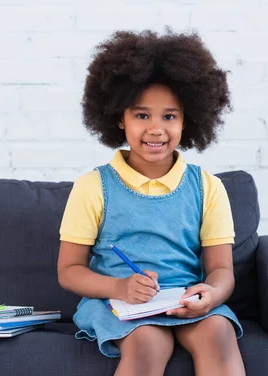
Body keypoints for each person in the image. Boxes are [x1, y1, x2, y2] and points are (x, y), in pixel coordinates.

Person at [57, 29, 245, 376]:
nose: (156, 129)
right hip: (118, 304)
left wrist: (212, 295)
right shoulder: (93, 187)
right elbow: (69, 270)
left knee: (218, 336)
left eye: (169, 116)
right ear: (119, 118)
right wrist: (119, 287)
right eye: (142, 116)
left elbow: (221, 271)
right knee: (147, 343)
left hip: (187, 303)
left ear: (187, 120)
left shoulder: (208, 188)